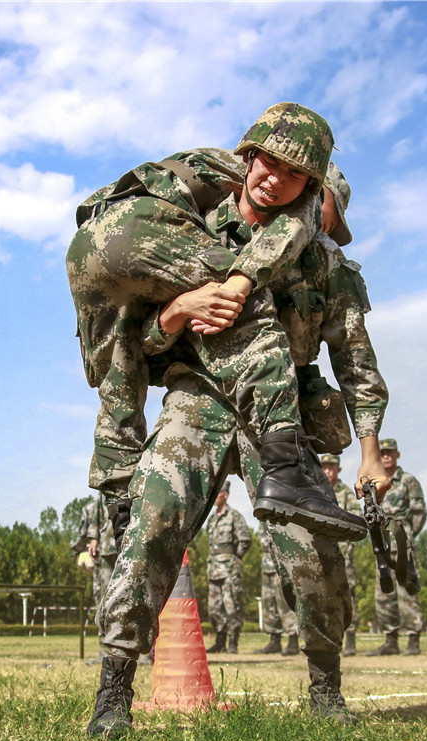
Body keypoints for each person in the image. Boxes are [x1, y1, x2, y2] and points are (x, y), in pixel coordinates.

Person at [87, 130, 389, 735]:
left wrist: (371, 453)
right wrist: (174, 315)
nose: (289, 190)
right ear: (250, 163)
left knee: (314, 551)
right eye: (271, 167)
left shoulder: (329, 267)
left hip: (279, 414)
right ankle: (113, 693)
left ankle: (326, 690)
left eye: (312, 191)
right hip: (195, 397)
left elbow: (356, 363)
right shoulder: (193, 232)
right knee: (152, 527)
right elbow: (136, 346)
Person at [67, 102, 366, 546]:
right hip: (132, 240)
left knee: (118, 361)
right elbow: (257, 268)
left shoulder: (215, 183)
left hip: (90, 246)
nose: (324, 226)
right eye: (327, 212)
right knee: (242, 302)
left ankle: (118, 497)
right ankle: (285, 470)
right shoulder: (267, 205)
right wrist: (239, 283)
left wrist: (173, 313)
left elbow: (142, 344)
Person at [366, 439, 427, 656]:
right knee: (384, 591)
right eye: (382, 453)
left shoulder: (408, 480)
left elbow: (419, 512)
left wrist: (406, 536)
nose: (386, 456)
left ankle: (413, 638)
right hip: (381, 544)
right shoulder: (372, 484)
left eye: (390, 452)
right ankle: (390, 639)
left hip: (402, 545)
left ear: (397, 455)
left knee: (406, 588)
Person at [321, 453, 364, 656]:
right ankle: (329, 640)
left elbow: (356, 519)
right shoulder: (316, 493)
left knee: (347, 596)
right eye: (325, 467)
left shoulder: (346, 494)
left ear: (338, 469)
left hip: (343, 554)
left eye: (332, 467)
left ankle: (352, 640)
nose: (328, 470)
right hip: (321, 553)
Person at [205, 483, 252, 654]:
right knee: (214, 607)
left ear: (224, 494)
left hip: (229, 568)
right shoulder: (211, 519)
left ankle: (233, 642)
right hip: (213, 568)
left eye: (217, 493)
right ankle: (220, 641)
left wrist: (235, 558)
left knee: (231, 605)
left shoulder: (234, 516)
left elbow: (245, 539)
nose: (214, 497)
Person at [255, 527, 300, 656]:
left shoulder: (280, 508)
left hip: (282, 563)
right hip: (267, 564)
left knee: (284, 603)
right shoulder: (260, 514)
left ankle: (293, 640)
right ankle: (274, 640)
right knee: (269, 604)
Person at [72, 494, 118, 611]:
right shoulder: (94, 505)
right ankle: (105, 628)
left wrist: (75, 552)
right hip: (108, 548)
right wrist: (94, 539)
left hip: (116, 547)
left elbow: (83, 535)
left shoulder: (90, 507)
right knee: (106, 597)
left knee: (106, 596)